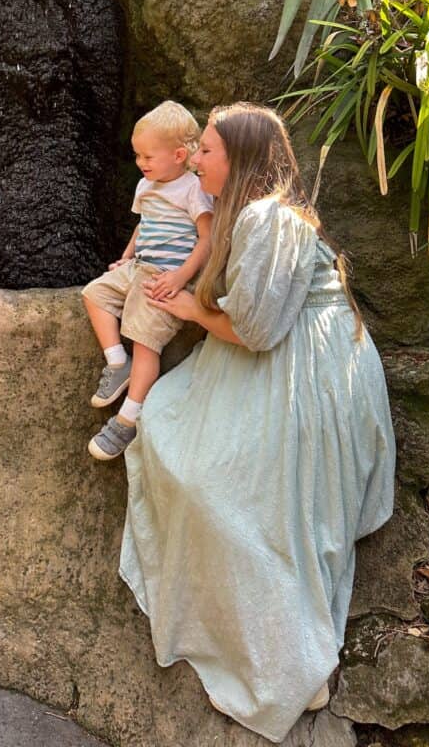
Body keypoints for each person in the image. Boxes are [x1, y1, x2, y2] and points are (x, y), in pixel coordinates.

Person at [119, 102, 396, 743]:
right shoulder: (248, 216)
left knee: (227, 491)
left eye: (206, 150)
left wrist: (187, 306)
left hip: (309, 371)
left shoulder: (271, 219)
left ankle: (286, 657)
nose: (193, 158)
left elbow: (254, 330)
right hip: (275, 355)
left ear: (238, 159)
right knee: (171, 429)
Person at [82, 101, 213, 461]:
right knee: (94, 293)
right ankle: (115, 362)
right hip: (139, 265)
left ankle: (127, 418)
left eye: (148, 156)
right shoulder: (146, 185)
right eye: (138, 155)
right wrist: (125, 257)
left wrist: (183, 276)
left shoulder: (194, 189)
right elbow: (143, 225)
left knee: (144, 341)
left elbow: (208, 238)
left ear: (179, 155)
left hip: (166, 277)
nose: (141, 163)